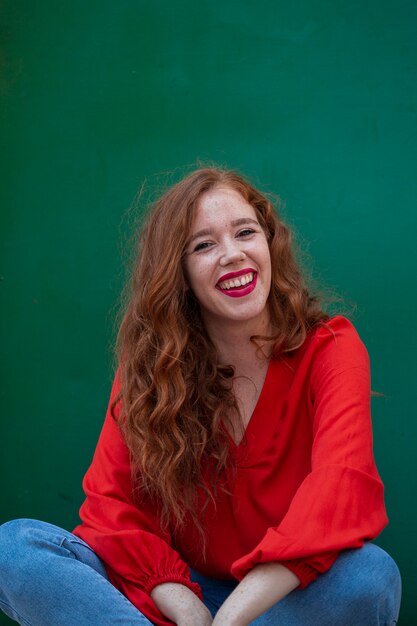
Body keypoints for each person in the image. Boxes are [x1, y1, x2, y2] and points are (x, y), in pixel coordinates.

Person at [0, 167, 401, 625]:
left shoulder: (331, 348)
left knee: (370, 573)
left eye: (245, 232)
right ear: (180, 273)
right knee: (13, 548)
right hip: (172, 595)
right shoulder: (151, 367)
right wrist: (190, 610)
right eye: (204, 245)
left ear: (269, 243)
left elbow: (340, 491)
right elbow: (113, 507)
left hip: (286, 597)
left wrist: (227, 620)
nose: (232, 254)